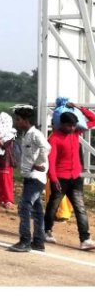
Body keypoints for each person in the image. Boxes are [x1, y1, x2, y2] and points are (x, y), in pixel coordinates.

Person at [44, 108, 95, 251]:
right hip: (60, 179)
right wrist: (53, 180)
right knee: (53, 206)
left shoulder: (76, 133)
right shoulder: (54, 138)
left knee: (80, 209)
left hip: (75, 178)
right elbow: (51, 161)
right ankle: (46, 231)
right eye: (69, 125)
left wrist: (79, 107)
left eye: (74, 125)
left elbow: (93, 120)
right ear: (62, 124)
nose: (72, 128)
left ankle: (85, 239)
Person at [8, 107, 51, 252]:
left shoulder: (35, 134)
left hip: (36, 178)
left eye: (18, 119)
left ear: (26, 121)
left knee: (24, 206)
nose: (16, 122)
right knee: (37, 209)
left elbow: (46, 147)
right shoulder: (26, 134)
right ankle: (38, 242)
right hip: (29, 177)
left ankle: (25, 241)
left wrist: (39, 163)